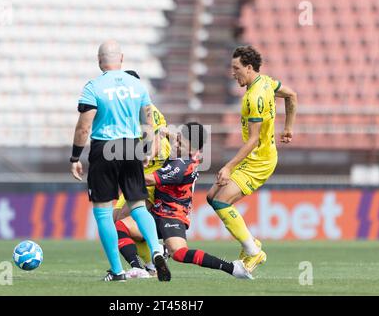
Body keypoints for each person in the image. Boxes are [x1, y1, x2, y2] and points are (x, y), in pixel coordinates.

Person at [70, 40, 171, 282]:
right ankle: (157, 250)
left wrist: (75, 156)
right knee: (137, 204)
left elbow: (84, 127)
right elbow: (148, 119)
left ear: (99, 61)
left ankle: (117, 271)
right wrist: (147, 149)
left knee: (103, 212)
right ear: (122, 58)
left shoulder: (93, 86)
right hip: (131, 146)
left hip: (105, 147)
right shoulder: (137, 85)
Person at [115, 122, 253, 280]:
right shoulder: (188, 151)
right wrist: (163, 134)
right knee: (121, 225)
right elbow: (169, 134)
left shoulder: (181, 166)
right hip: (157, 212)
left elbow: (147, 180)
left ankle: (233, 268)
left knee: (179, 254)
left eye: (181, 144)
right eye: (178, 140)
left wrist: (123, 167)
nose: (176, 145)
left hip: (172, 216)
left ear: (193, 149)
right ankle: (138, 268)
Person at [206, 45, 297, 275]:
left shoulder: (253, 97)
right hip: (257, 156)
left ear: (248, 68)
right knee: (210, 197)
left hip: (259, 160)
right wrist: (288, 128)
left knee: (220, 202)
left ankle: (253, 250)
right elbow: (291, 95)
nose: (233, 73)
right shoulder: (266, 82)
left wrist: (228, 166)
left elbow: (254, 140)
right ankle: (250, 246)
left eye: (236, 68)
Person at [113, 70, 172, 277]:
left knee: (126, 222)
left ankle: (152, 257)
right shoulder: (130, 111)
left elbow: (156, 137)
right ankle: (151, 261)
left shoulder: (145, 109)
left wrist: (146, 155)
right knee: (116, 219)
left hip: (152, 174)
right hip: (139, 173)